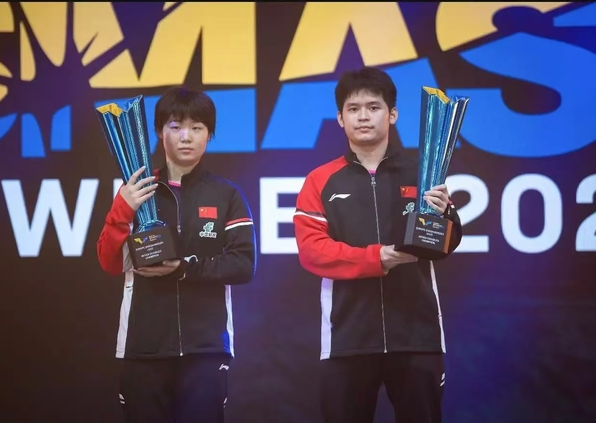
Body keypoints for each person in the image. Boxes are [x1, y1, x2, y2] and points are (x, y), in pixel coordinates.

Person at [293, 67, 463, 423]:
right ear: (340, 118)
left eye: (374, 107)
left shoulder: (423, 173)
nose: (363, 116)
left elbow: (445, 245)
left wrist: (445, 215)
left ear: (393, 114)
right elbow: (312, 252)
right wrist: (378, 258)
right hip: (347, 340)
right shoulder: (320, 180)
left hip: (417, 337)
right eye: (353, 109)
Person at [97, 87, 257, 423]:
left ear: (209, 135)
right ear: (158, 131)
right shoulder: (136, 191)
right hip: (143, 346)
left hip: (205, 349)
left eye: (197, 127)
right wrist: (122, 209)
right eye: (175, 126)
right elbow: (110, 262)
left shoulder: (226, 194)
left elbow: (243, 264)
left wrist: (183, 268)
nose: (186, 136)